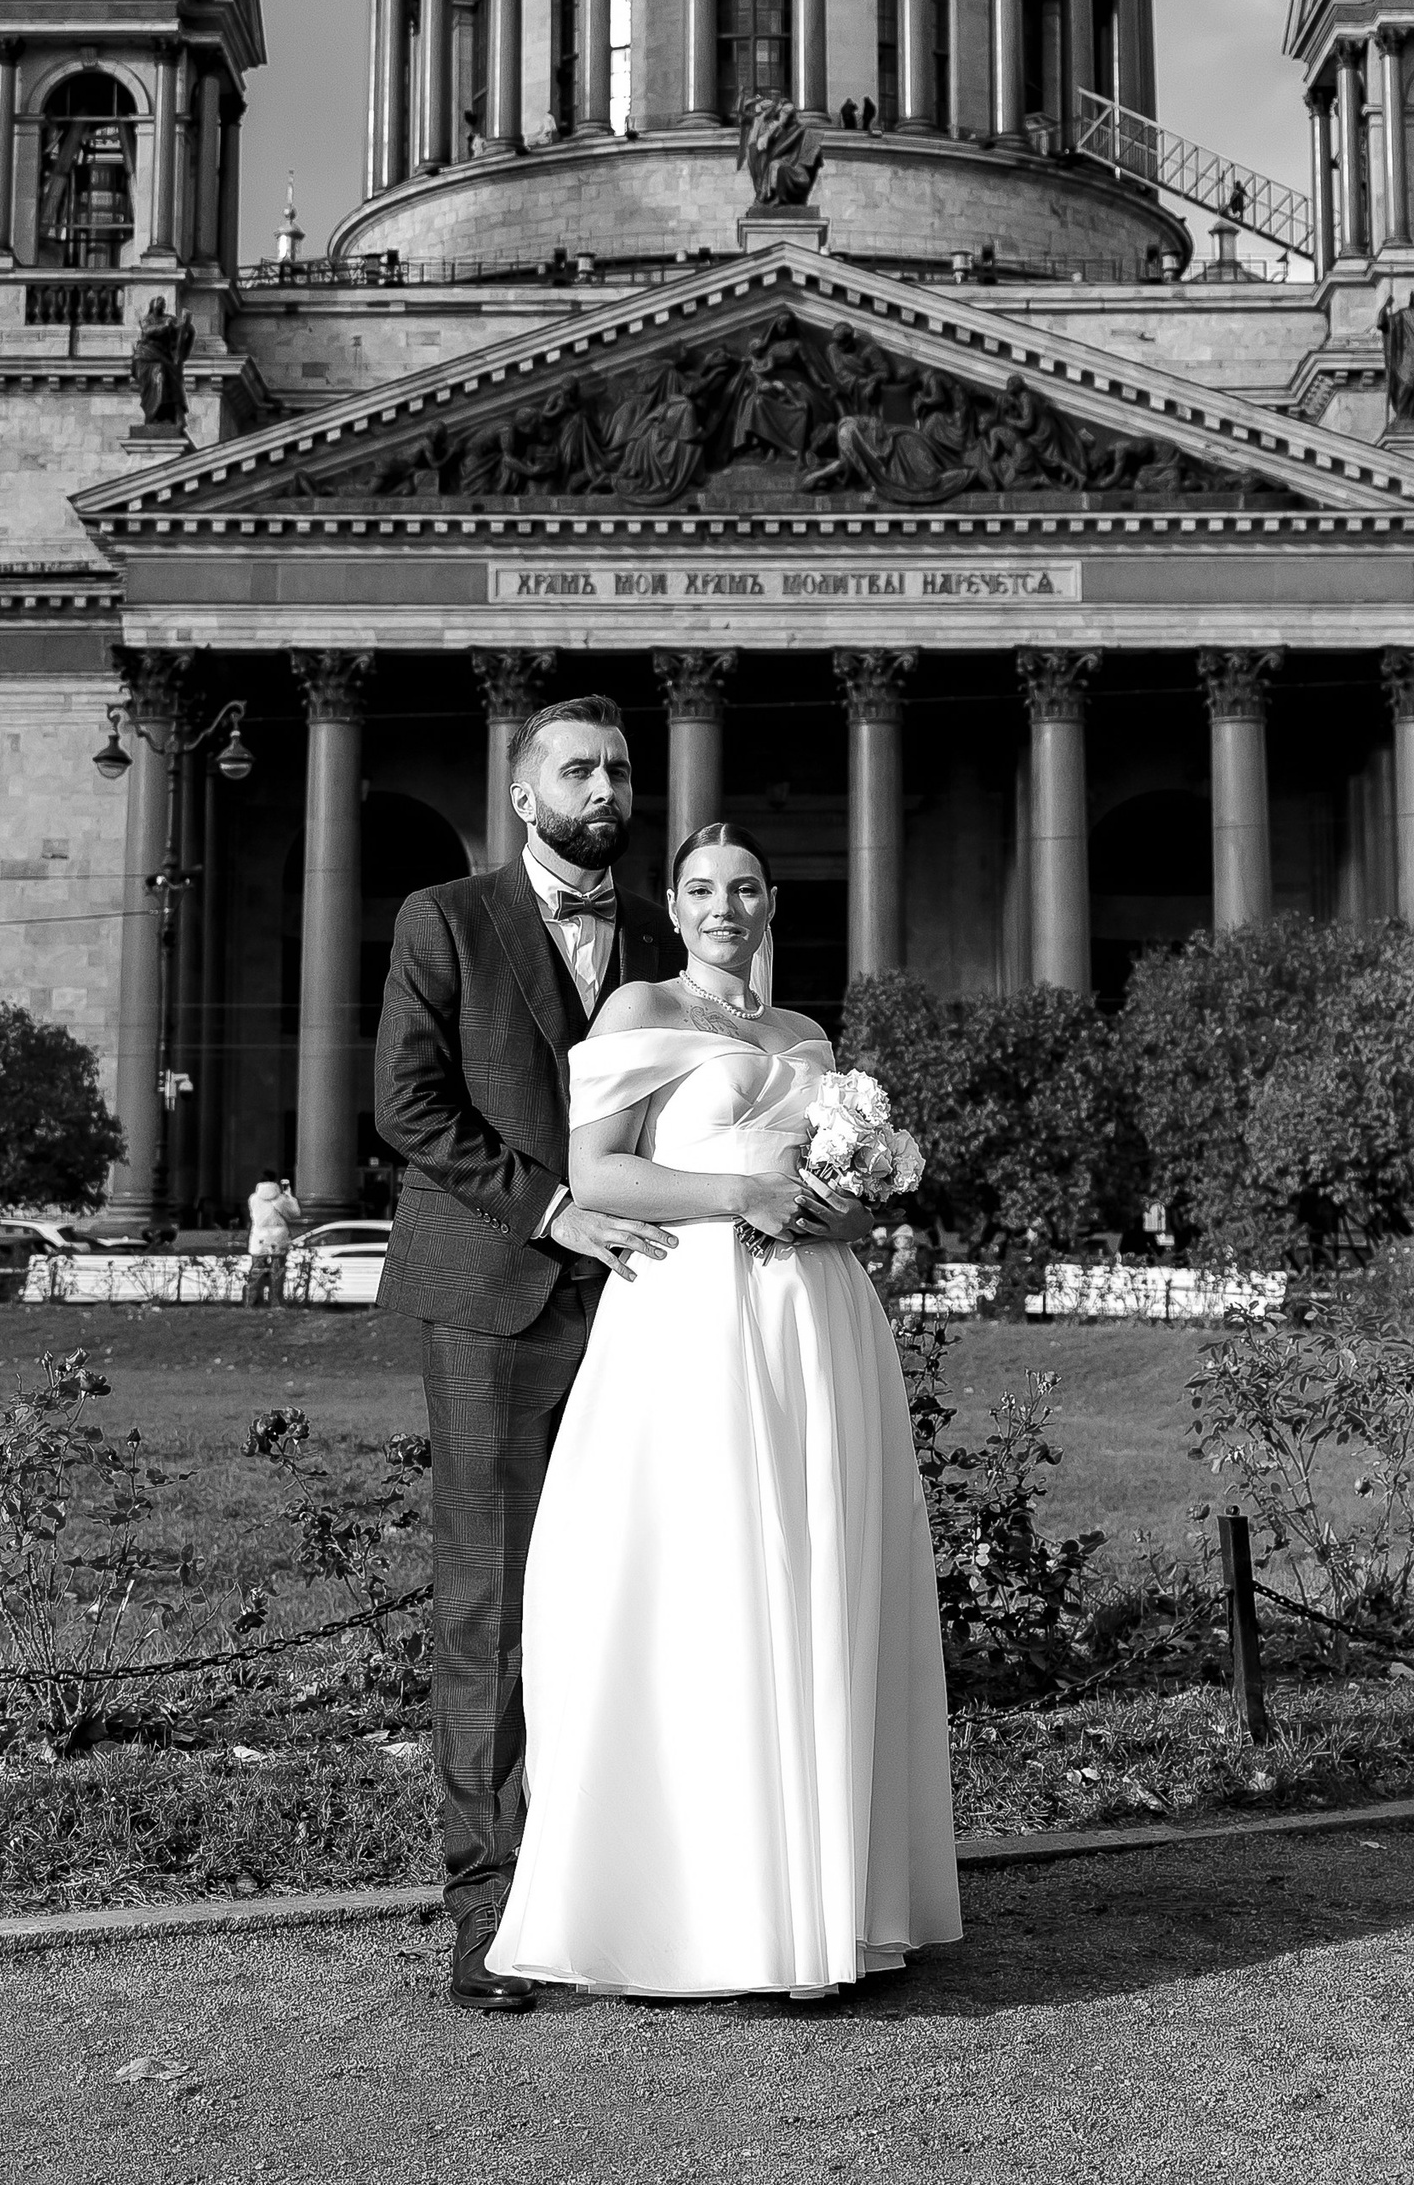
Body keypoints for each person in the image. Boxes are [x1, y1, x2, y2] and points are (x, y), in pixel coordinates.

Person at [488, 822, 961, 2003]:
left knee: (821, 1579)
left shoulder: (806, 1036)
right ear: (672, 902)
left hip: (820, 1321)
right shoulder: (637, 1014)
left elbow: (841, 1200)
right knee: (712, 1581)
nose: (724, 907)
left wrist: (844, 1204)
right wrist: (737, 1192)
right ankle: (713, 1912)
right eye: (701, 889)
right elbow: (596, 1174)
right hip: (691, 1319)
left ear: (769, 902)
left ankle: (829, 1907)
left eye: (745, 887)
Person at [372, 693, 677, 2014]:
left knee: (631, 1597)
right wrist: (557, 1208)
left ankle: (621, 1880)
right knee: (488, 1603)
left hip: (648, 1307)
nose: (602, 783)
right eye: (576, 766)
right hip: (494, 1292)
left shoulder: (662, 930)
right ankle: (486, 1905)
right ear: (522, 791)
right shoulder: (444, 917)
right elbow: (409, 1104)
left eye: (616, 765)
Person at [242, 1168, 302, 1306]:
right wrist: (288, 1195)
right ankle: (276, 1302)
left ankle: (252, 1301)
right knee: (278, 1270)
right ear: (275, 1181)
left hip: (259, 1236)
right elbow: (295, 1213)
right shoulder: (281, 1199)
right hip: (278, 1236)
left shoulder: (253, 1198)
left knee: (257, 1269)